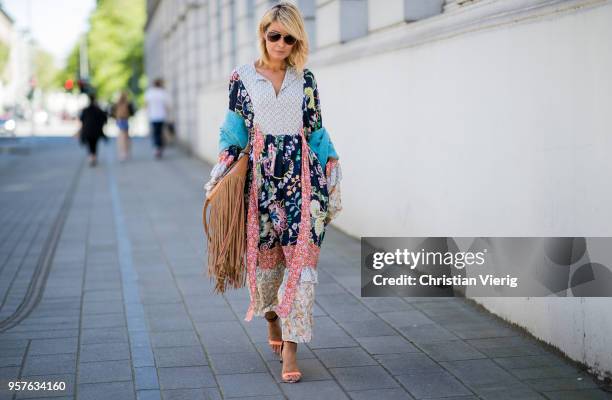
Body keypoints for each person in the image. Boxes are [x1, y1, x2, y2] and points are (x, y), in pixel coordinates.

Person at [204, 2, 342, 384]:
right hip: (261, 183)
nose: (281, 44)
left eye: (289, 38)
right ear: (263, 34)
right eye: (274, 35)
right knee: (265, 269)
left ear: (297, 40)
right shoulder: (242, 78)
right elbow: (233, 131)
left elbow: (316, 130)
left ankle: (292, 350)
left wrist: (331, 167)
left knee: (303, 263)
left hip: (303, 181)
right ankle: (271, 319)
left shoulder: (305, 79)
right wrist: (223, 168)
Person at [79, 93, 108, 167]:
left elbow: (81, 120)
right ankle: (93, 157)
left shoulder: (85, 110)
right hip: (96, 131)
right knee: (94, 144)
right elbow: (105, 119)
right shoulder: (98, 110)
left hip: (87, 131)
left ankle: (91, 157)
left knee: (90, 145)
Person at [144, 78, 170, 159]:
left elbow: (146, 105)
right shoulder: (163, 93)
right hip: (162, 116)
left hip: (153, 116)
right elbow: (167, 106)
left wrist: (147, 114)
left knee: (156, 133)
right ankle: (160, 147)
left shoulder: (149, 93)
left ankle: (157, 148)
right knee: (160, 132)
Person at [111, 91, 135, 161]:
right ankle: (125, 151)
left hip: (119, 120)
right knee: (125, 136)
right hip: (125, 120)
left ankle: (122, 152)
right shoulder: (127, 103)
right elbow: (132, 113)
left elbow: (112, 113)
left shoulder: (116, 103)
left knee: (121, 136)